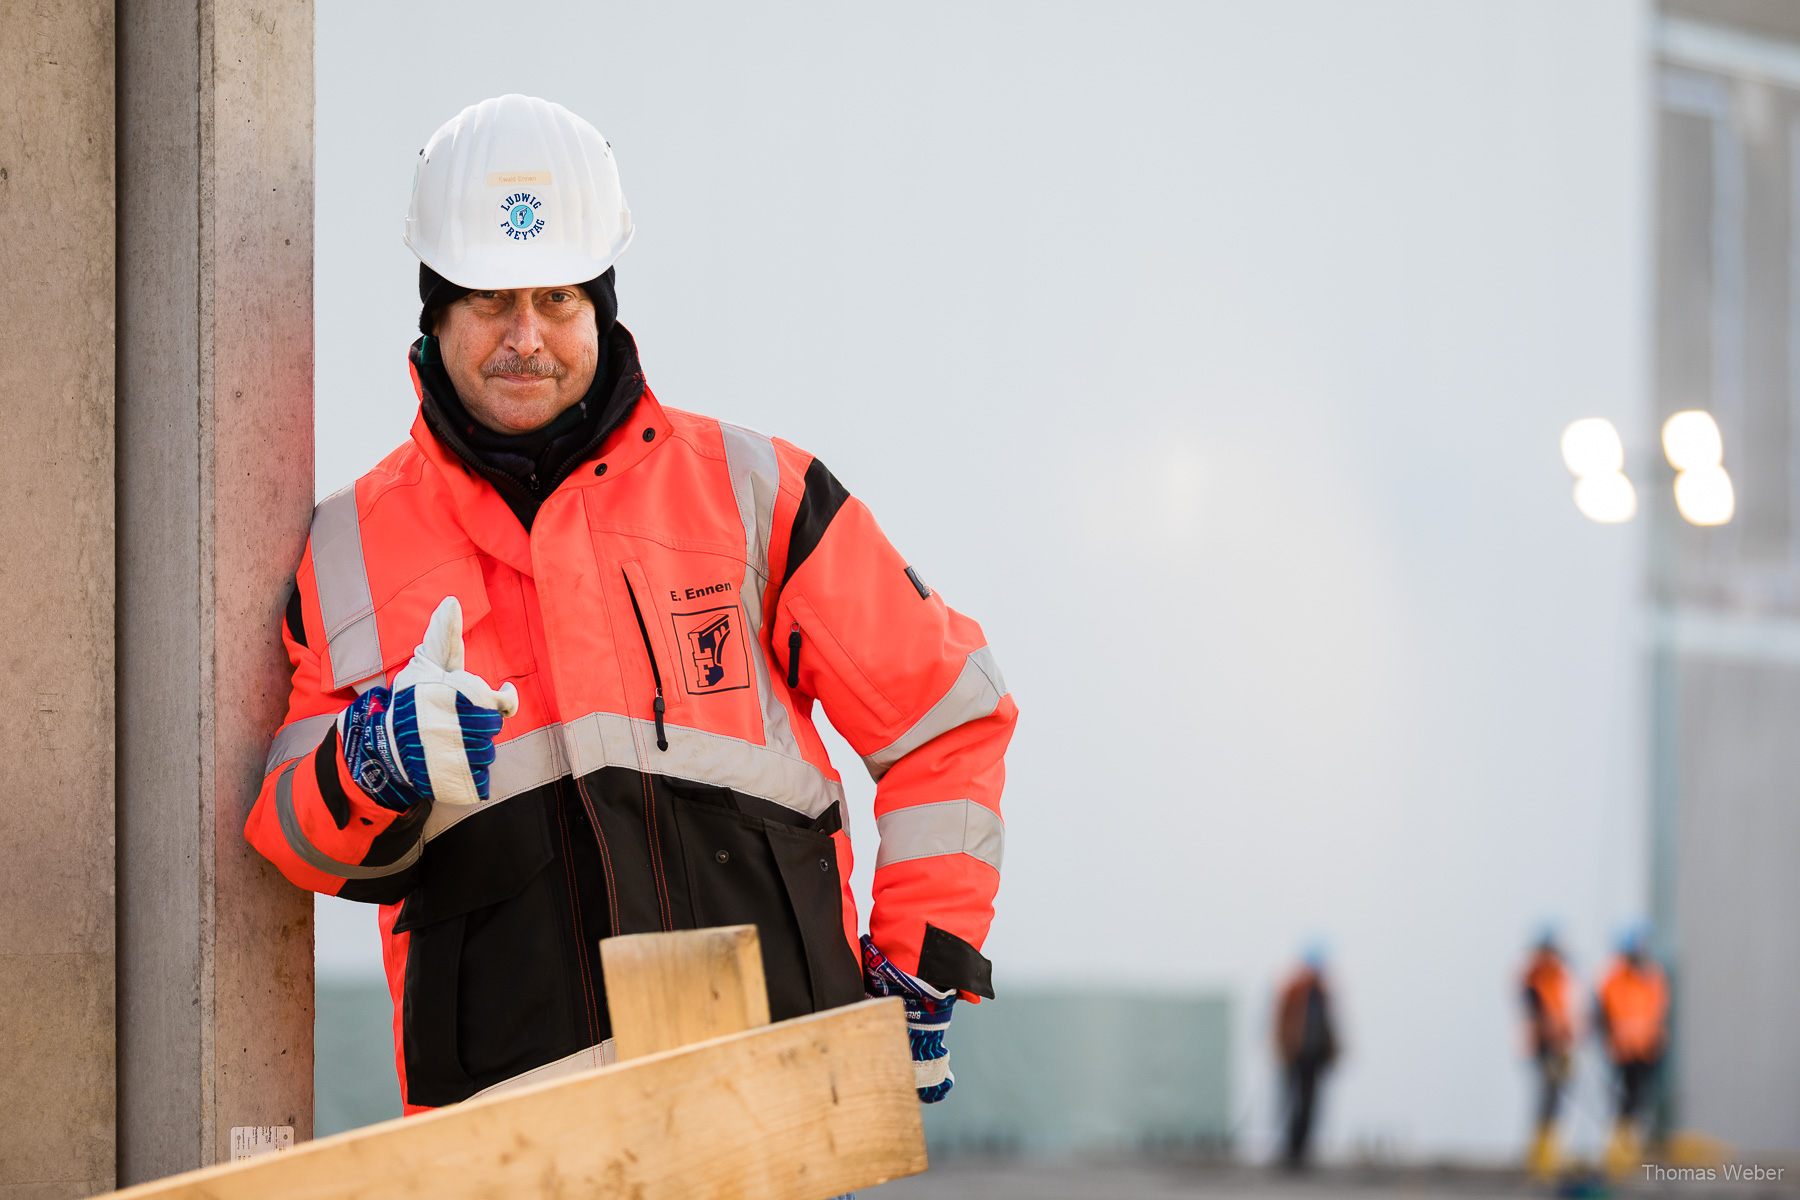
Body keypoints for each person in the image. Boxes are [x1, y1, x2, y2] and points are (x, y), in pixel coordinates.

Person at [244, 95, 1015, 1116]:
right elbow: (287, 839)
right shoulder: (347, 550)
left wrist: (920, 962)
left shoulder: (753, 492)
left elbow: (945, 715)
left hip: (774, 1117)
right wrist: (368, 759)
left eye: (560, 298)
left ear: (601, 305)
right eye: (490, 299)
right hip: (511, 1152)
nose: (529, 338)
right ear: (434, 309)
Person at [1595, 926, 1668, 1174]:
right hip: (1622, 1051)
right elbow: (1604, 1012)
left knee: (1639, 1100)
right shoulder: (1614, 976)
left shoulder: (1652, 975)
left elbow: (1656, 1011)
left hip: (1645, 1050)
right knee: (1622, 1101)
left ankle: (1629, 1154)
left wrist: (1655, 1040)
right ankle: (1617, 1156)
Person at [1274, 949, 1338, 1169]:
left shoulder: (1322, 993)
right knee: (1292, 1103)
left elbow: (1328, 1026)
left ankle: (1302, 1151)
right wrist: (1285, 1049)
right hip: (1295, 1057)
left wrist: (1331, 1053)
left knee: (1311, 1105)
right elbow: (1282, 1022)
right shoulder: (1293, 990)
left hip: (1315, 1059)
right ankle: (1289, 1152)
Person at [1520, 929, 1576, 1178]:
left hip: (1560, 1044)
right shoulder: (1534, 976)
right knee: (1547, 1094)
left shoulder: (1559, 976)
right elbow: (1536, 1011)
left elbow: (1563, 1009)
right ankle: (1540, 1153)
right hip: (1544, 1046)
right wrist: (1550, 1032)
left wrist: (1566, 1036)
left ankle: (1550, 1150)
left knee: (1557, 1095)